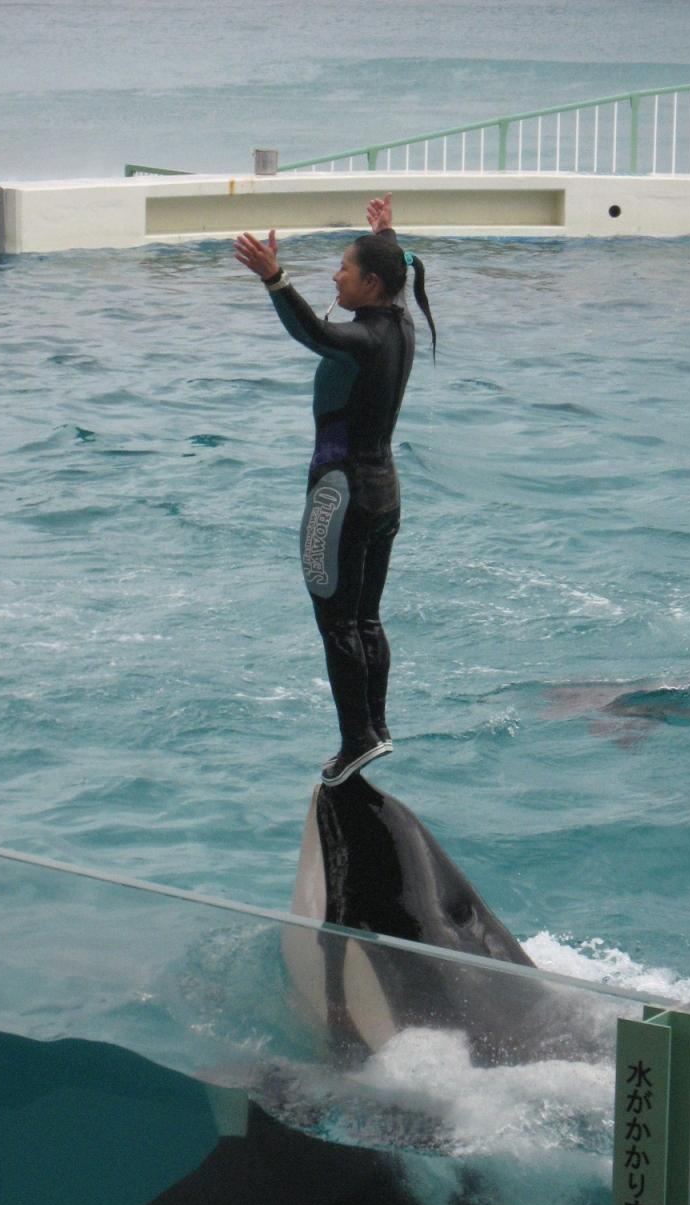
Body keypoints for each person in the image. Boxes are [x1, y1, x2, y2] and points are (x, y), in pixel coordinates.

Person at [234, 195, 436, 786]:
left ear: (372, 282)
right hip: (384, 493)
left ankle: (356, 741)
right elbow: (388, 272)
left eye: (345, 268)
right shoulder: (399, 322)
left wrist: (275, 278)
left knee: (336, 622)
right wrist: (387, 232)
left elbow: (313, 331)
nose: (335, 274)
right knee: (366, 619)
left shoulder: (364, 338)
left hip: (339, 495)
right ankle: (375, 730)